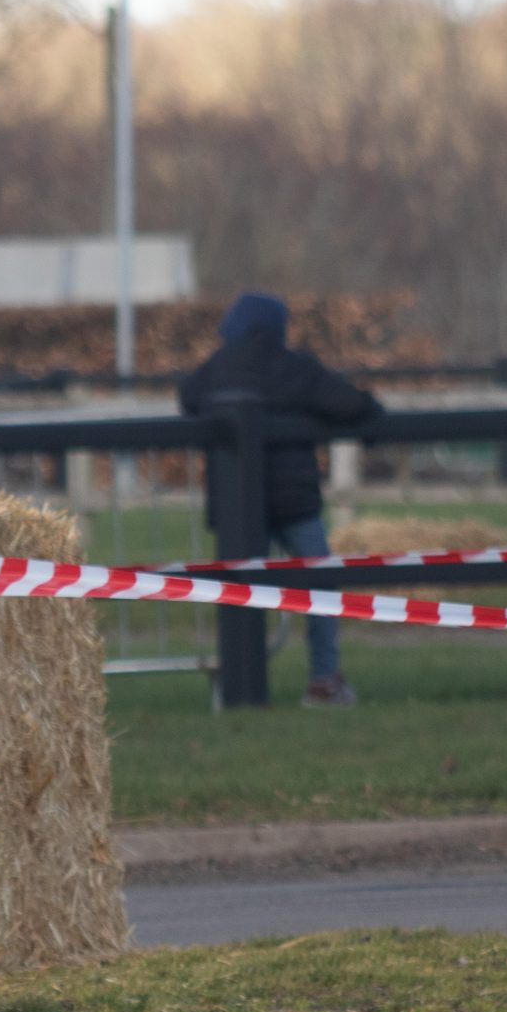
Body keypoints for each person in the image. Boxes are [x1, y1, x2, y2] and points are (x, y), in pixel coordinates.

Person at [179, 290, 383, 707]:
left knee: (239, 592)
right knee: (321, 582)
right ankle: (323, 681)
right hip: (293, 504)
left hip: (237, 511)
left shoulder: (216, 368)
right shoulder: (296, 369)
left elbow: (187, 397)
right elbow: (349, 403)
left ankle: (239, 685)